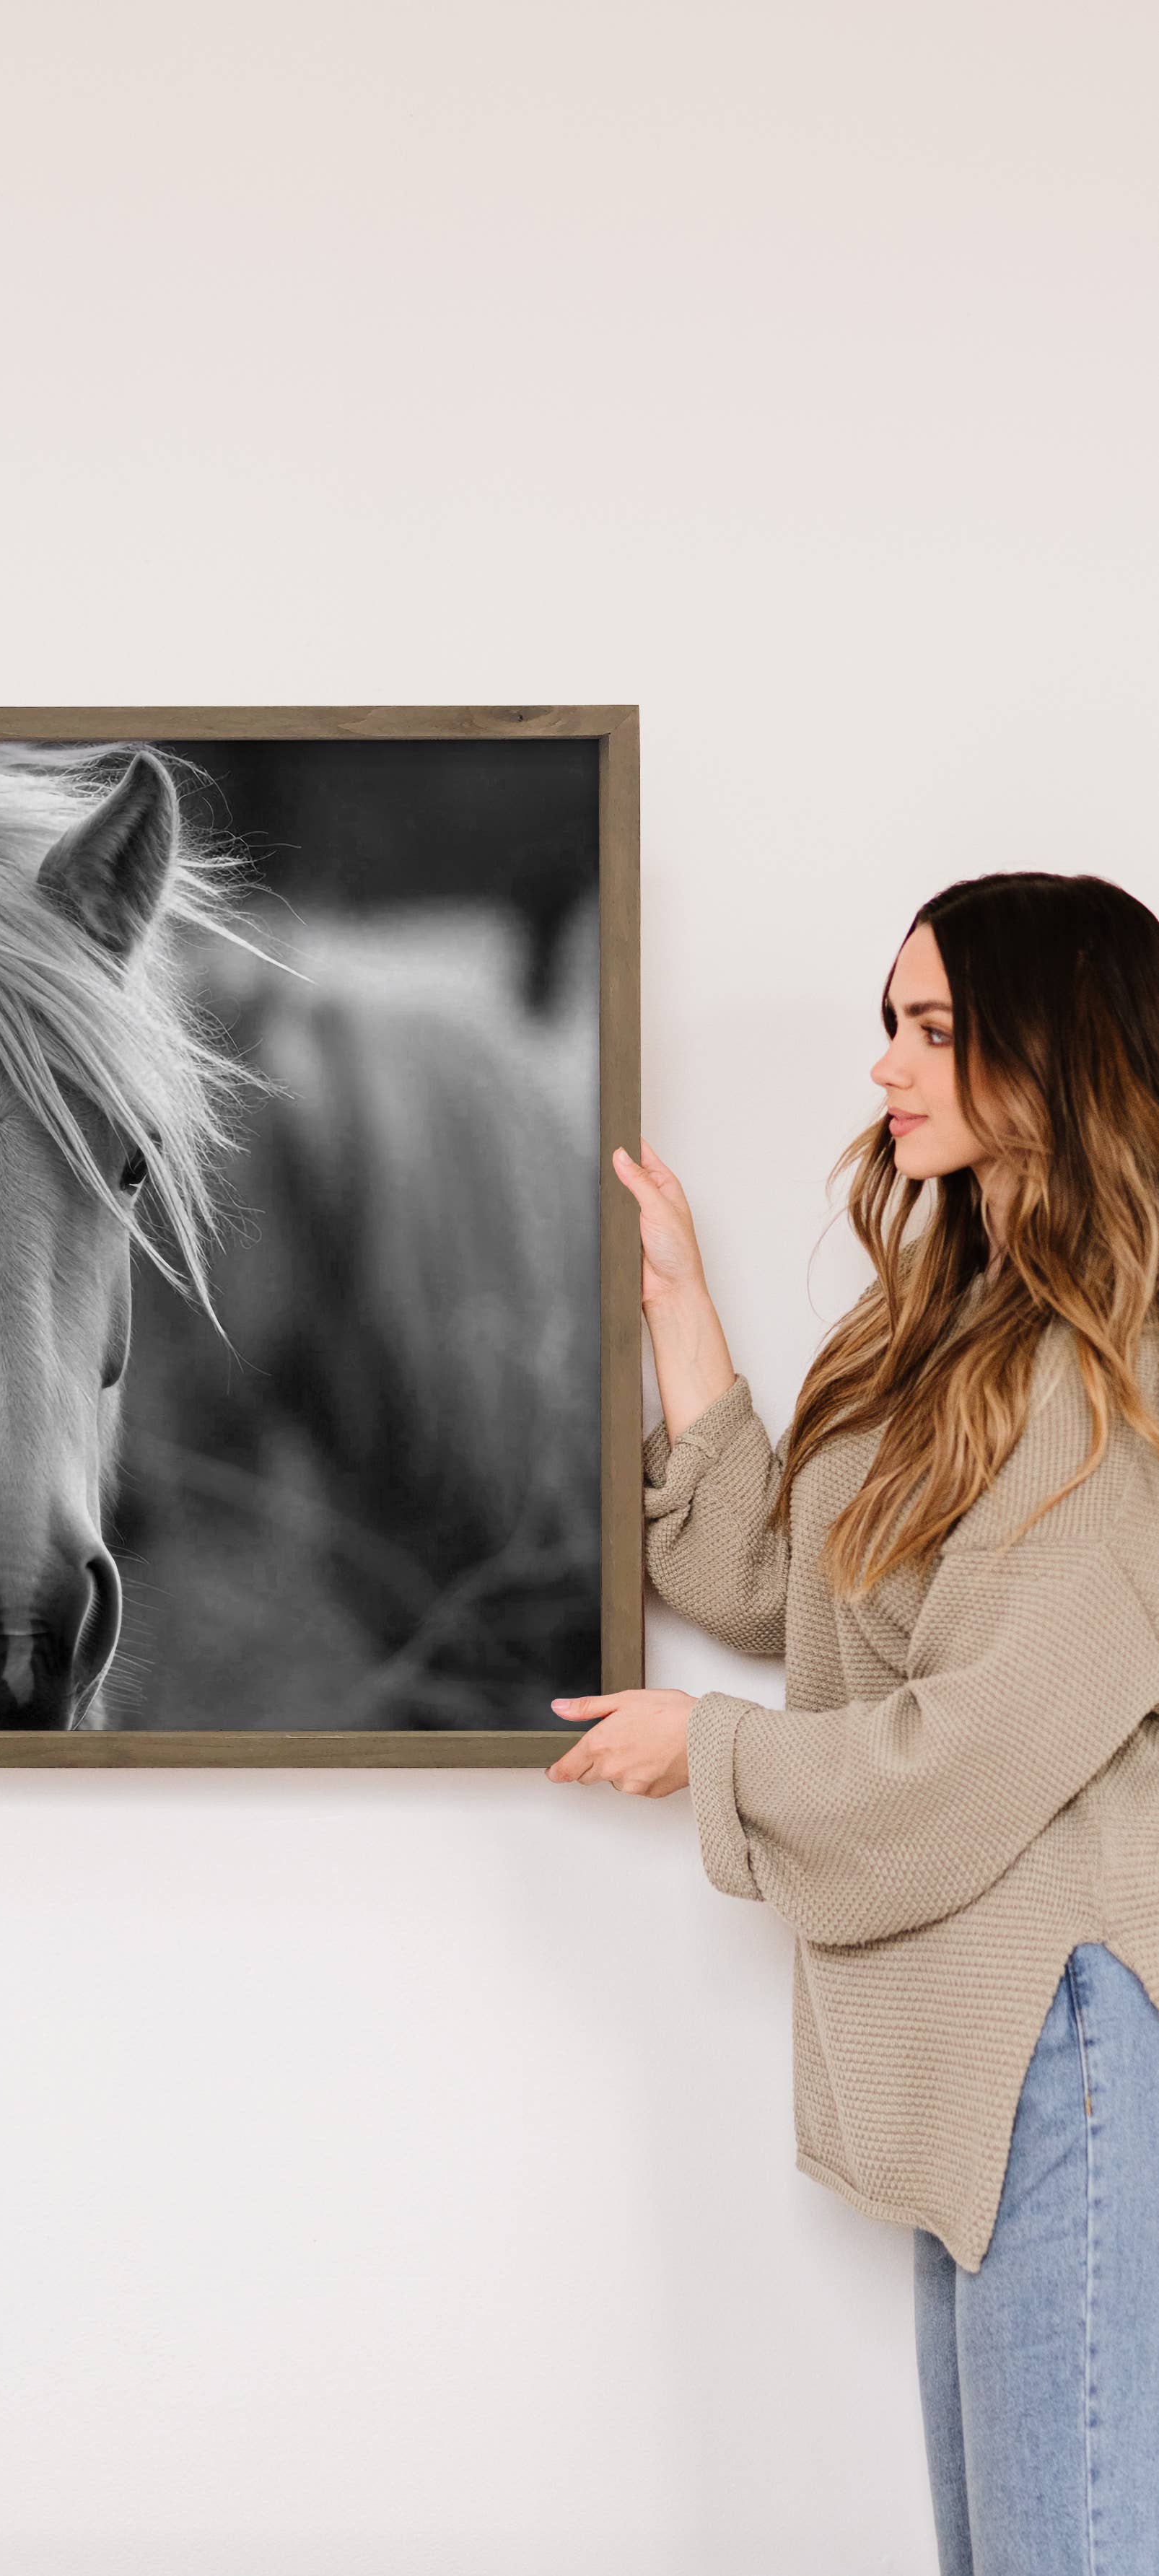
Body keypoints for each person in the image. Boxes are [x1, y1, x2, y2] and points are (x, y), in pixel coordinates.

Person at [548, 875, 1159, 2572]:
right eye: (890, 1026)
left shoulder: (1123, 1378)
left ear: (1059, 1054)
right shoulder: (951, 1329)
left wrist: (710, 1755)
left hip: (1067, 2050)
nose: (890, 1068)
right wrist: (678, 1305)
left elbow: (975, 1751)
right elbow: (785, 1584)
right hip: (979, 2056)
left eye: (937, 1030)